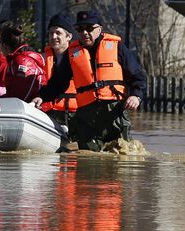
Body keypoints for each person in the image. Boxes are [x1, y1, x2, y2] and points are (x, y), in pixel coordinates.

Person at [32, 10, 147, 151]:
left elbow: (138, 76)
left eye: (89, 28)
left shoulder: (117, 47)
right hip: (86, 116)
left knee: (121, 157)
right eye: (80, 29)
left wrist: (136, 96)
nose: (84, 33)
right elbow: (58, 83)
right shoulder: (72, 53)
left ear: (99, 29)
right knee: (88, 161)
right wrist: (41, 97)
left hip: (113, 111)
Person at [41, 13, 78, 130]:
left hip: (76, 112)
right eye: (51, 33)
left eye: (58, 33)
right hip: (50, 112)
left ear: (69, 37)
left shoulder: (79, 57)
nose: (53, 37)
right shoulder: (41, 58)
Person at [0, 21, 46, 102]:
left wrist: (3, 101)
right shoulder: (15, 59)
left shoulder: (21, 61)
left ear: (4, 45)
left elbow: (23, 93)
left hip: (31, 109)